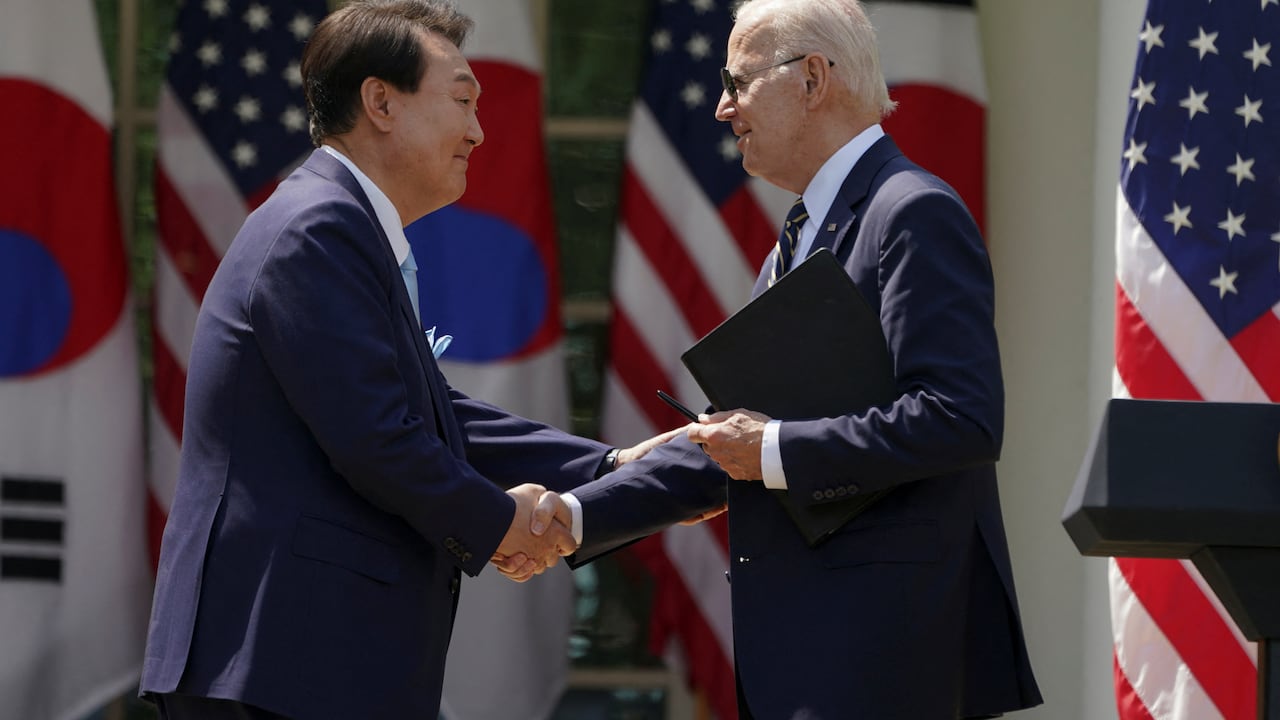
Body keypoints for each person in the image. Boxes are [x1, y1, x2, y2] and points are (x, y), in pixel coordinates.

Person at [137, 2, 695, 718]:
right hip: (278, 657)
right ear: (380, 103)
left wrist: (608, 468)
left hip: (305, 660)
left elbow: (432, 415)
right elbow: (377, 436)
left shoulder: (339, 225)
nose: (478, 130)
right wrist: (502, 523)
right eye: (462, 100)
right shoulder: (317, 229)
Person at [555, 0, 1044, 717]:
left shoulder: (910, 212)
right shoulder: (801, 234)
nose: (723, 108)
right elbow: (738, 443)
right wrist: (571, 516)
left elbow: (960, 417)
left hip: (892, 662)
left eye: (738, 81)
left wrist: (772, 446)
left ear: (813, 78)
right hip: (819, 659)